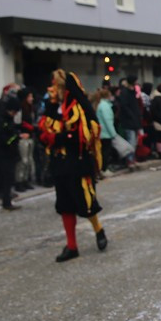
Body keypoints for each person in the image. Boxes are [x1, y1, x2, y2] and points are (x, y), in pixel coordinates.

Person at [38, 70, 108, 263]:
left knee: (85, 202)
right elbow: (42, 131)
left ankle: (98, 230)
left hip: (78, 163)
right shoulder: (52, 106)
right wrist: (50, 138)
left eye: (56, 86)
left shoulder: (78, 106)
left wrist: (57, 137)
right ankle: (72, 246)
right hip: (59, 163)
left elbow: (83, 134)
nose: (52, 90)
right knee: (65, 205)